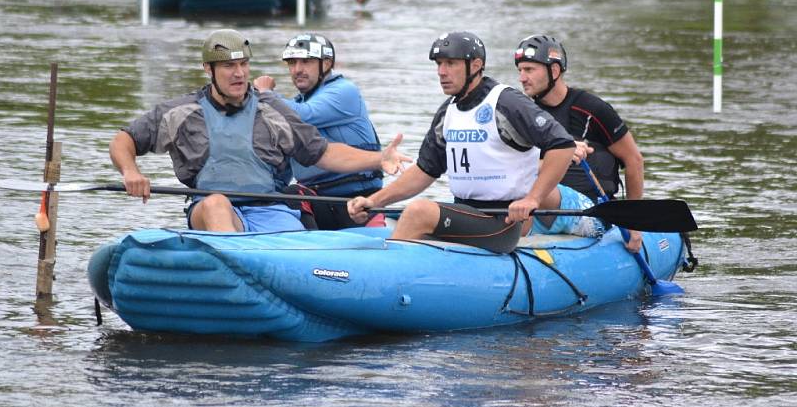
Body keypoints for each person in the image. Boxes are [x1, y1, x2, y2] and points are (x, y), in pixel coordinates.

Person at [109, 29, 410, 234]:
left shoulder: (273, 111)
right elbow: (125, 139)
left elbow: (326, 153)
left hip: (271, 211)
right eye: (228, 66)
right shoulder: (181, 112)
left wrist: (378, 158)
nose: (238, 73)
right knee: (217, 203)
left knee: (297, 240)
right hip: (211, 209)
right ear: (208, 69)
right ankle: (233, 277)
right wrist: (130, 172)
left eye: (243, 64)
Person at [347, 31, 604, 254]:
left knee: (418, 212)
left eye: (450, 63)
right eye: (438, 64)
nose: (441, 72)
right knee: (403, 214)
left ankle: (388, 279)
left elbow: (562, 145)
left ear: (476, 65)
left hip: (503, 222)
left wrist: (533, 199)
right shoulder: (448, 111)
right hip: (469, 213)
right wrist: (377, 200)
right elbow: (425, 171)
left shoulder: (506, 103)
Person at [514, 34, 645, 252]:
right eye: (520, 70)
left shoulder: (592, 109)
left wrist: (634, 224)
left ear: (554, 71)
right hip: (537, 209)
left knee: (525, 191)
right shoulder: (525, 114)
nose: (522, 78)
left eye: (529, 70)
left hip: (588, 211)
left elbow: (634, 161)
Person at [253, 33, 384, 230]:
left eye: (306, 62)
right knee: (287, 194)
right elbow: (281, 169)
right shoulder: (290, 106)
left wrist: (265, 93)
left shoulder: (344, 91)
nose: (297, 70)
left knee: (293, 194)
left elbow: (302, 115)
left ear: (327, 63)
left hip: (358, 205)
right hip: (318, 202)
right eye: (292, 63)